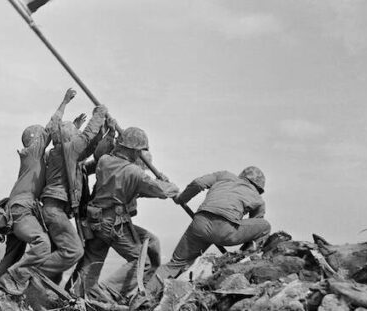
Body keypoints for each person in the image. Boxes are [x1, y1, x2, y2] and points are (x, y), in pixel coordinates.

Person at [70, 127, 179, 302]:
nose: (139, 155)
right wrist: (170, 185)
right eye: (139, 152)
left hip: (95, 220)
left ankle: (77, 294)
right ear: (135, 151)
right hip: (114, 223)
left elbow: (130, 187)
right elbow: (161, 191)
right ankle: (108, 290)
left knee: (93, 260)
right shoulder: (134, 172)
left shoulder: (104, 161)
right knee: (143, 262)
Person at [0, 88, 76, 294]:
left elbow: (58, 141)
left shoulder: (36, 158)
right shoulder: (33, 152)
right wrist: (65, 102)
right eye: (41, 137)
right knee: (42, 243)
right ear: (35, 139)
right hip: (22, 209)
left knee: (12, 255)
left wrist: (75, 128)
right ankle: (14, 279)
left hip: (18, 209)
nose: (45, 139)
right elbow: (51, 128)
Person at [154, 166, 271, 284]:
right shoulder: (258, 199)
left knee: (174, 264)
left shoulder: (224, 175)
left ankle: (143, 294)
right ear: (258, 187)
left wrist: (181, 198)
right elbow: (255, 228)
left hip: (200, 224)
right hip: (225, 231)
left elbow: (198, 183)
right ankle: (244, 261)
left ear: (241, 176)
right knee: (265, 226)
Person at [36, 103, 109, 282]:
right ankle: (29, 273)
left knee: (58, 255)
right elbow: (86, 137)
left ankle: (40, 286)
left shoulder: (60, 153)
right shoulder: (67, 150)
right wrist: (99, 114)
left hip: (53, 210)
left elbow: (88, 148)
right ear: (70, 139)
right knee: (74, 250)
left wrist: (104, 132)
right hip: (55, 210)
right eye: (75, 135)